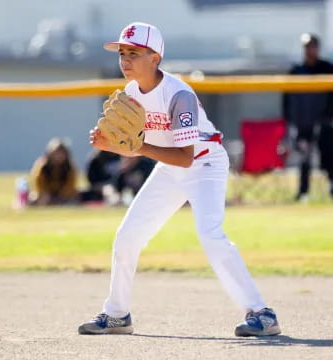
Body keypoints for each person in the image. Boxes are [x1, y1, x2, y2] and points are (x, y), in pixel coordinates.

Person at [78, 22, 281, 337]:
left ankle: (261, 313)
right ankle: (117, 314)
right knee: (127, 236)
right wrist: (109, 144)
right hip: (168, 168)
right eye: (122, 53)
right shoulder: (131, 93)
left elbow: (185, 156)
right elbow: (136, 146)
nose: (125, 60)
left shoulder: (179, 95)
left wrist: (137, 146)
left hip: (205, 165)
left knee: (210, 235)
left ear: (155, 58)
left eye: (134, 52)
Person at [282, 33, 333, 201]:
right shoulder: (296, 71)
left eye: (312, 46)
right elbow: (287, 98)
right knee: (304, 159)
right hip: (303, 122)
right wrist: (289, 120)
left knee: (328, 157)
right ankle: (303, 192)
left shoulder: (327, 68)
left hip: (325, 121)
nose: (309, 50)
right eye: (306, 46)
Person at [28, 138, 78, 205]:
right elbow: (37, 183)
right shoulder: (42, 166)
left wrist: (62, 196)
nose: (58, 156)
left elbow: (70, 185)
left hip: (63, 196)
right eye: (56, 153)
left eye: (61, 153)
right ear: (50, 154)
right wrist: (44, 194)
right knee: (33, 199)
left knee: (74, 201)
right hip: (45, 195)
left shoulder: (69, 167)